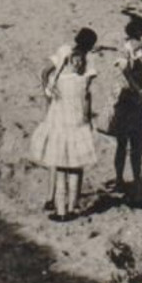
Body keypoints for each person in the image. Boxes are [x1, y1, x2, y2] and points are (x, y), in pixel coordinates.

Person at [30, 40, 99, 221]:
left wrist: (49, 88)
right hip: (77, 128)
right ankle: (73, 207)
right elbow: (86, 103)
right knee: (75, 169)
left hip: (61, 127)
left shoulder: (58, 81)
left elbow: (49, 89)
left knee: (61, 170)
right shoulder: (82, 80)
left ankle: (61, 212)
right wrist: (87, 120)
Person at [107, 15, 142, 198]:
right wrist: (141, 91)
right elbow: (125, 74)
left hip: (137, 101)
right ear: (140, 36)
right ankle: (119, 178)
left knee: (136, 144)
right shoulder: (123, 51)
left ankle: (135, 179)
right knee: (122, 143)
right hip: (124, 101)